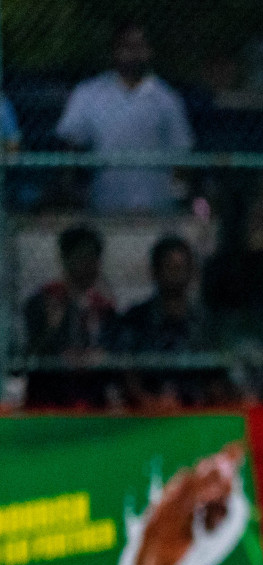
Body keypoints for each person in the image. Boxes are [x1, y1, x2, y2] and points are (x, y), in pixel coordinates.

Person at [55, 21, 194, 213]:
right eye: (126, 47)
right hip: (103, 204)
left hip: (155, 206)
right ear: (114, 50)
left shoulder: (167, 98)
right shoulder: (89, 93)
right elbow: (70, 144)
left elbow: (181, 154)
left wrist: (177, 194)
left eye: (140, 47)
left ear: (150, 50)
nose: (134, 54)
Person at [22, 225, 117, 408]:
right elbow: (30, 353)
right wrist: (50, 328)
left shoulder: (105, 307)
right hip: (49, 398)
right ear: (65, 258)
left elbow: (113, 350)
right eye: (81, 257)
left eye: (93, 258)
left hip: (92, 400)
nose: (88, 264)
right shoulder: (41, 302)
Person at [119, 235, 218, 409]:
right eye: (170, 268)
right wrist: (149, 402)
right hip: (145, 417)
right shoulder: (135, 319)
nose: (176, 275)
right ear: (155, 271)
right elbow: (126, 371)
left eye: (181, 268)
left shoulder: (205, 322)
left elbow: (215, 376)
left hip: (196, 416)